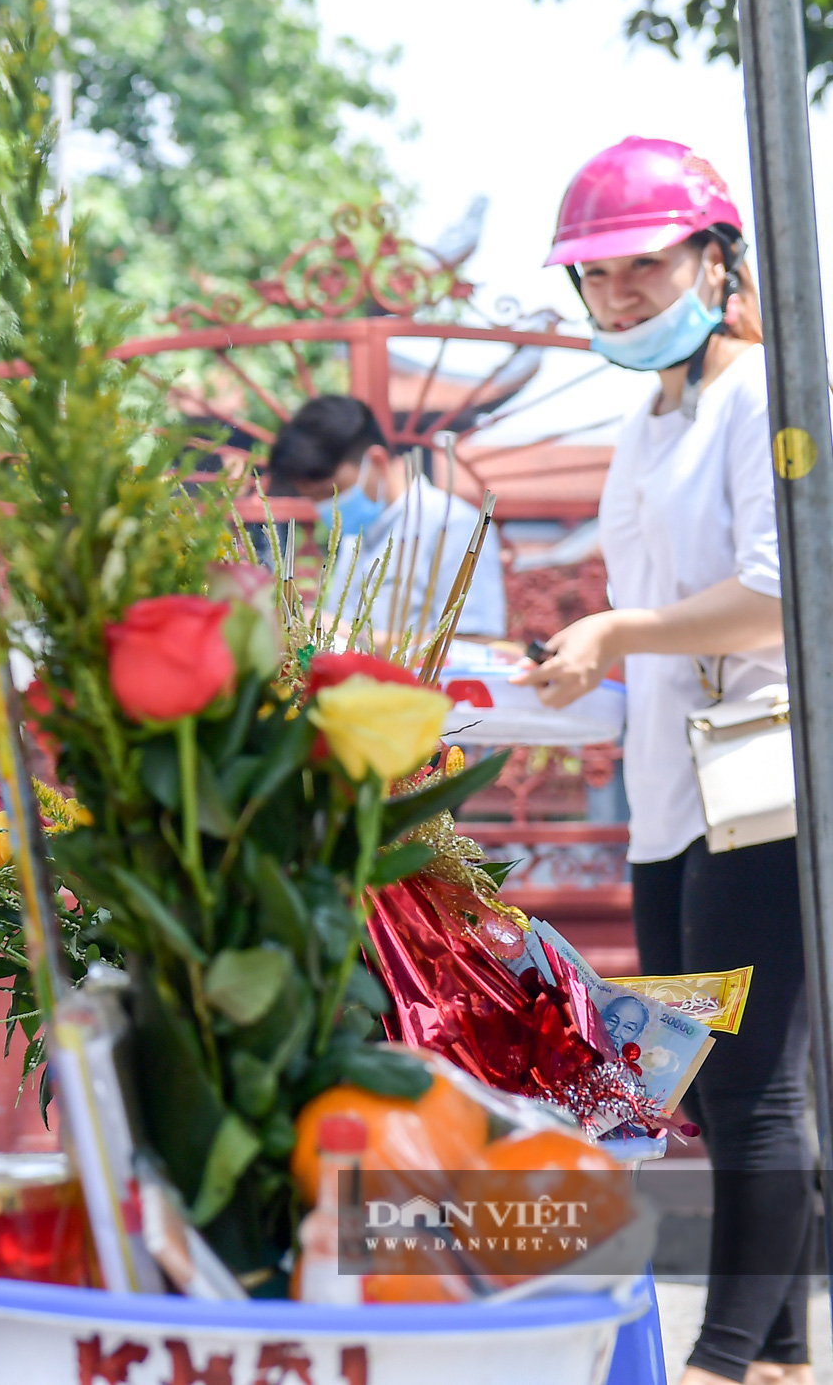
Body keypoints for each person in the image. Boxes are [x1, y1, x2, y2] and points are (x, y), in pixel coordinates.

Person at [510, 136, 808, 1385]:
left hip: (764, 786)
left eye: (645, 266)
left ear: (714, 257)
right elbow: (642, 625)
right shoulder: (650, 416)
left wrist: (620, 632)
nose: (620, 296)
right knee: (694, 1088)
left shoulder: (762, 394)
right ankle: (787, 1352)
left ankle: (726, 1361)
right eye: (599, 276)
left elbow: (773, 596)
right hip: (668, 799)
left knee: (751, 1095)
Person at [267, 394, 506, 643]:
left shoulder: (452, 524)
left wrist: (345, 634)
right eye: (314, 498)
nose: (324, 507)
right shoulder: (354, 538)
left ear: (377, 461)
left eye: (330, 492)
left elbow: (475, 642)